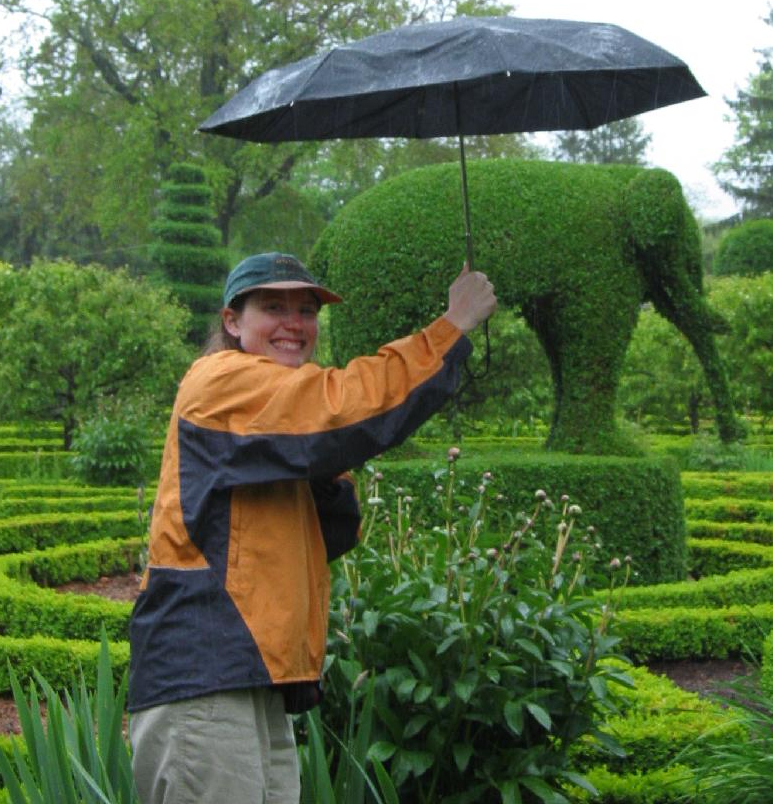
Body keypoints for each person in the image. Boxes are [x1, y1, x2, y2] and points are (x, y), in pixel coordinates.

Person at [128, 250, 497, 804]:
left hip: (250, 677)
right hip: (204, 675)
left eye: (306, 310)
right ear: (232, 321)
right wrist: (451, 327)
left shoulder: (268, 416)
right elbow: (345, 406)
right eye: (273, 307)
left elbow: (334, 530)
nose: (294, 323)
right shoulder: (222, 381)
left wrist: (328, 463)